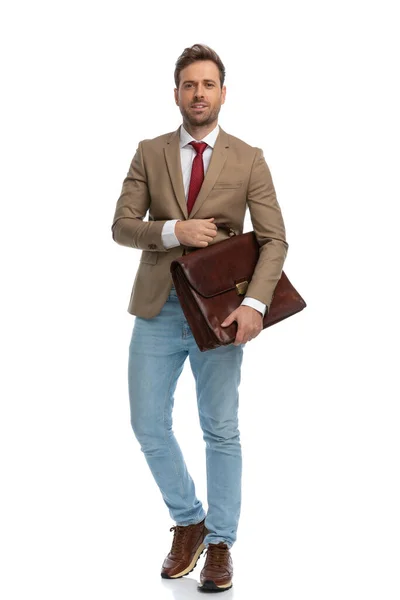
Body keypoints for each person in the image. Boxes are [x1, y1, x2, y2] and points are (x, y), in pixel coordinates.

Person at [111, 43, 288, 593]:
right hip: (158, 307)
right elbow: (121, 226)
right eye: (189, 85)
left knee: (220, 428)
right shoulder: (149, 151)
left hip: (220, 312)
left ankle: (221, 544)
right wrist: (172, 231)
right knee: (147, 424)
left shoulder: (248, 157)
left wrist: (255, 304)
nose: (199, 94)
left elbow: (275, 238)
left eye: (208, 84)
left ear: (222, 93)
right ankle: (189, 519)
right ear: (176, 94)